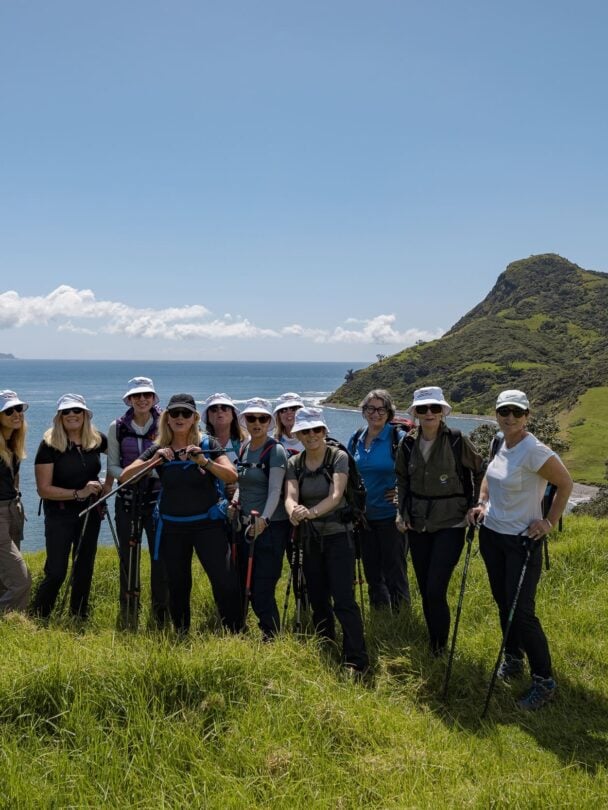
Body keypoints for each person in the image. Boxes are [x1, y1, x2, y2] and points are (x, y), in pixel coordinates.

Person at [468, 389, 573, 711]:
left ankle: (544, 681)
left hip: (521, 541)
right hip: (492, 535)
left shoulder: (534, 450)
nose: (510, 418)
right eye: (504, 412)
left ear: (527, 416)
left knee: (522, 612)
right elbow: (489, 475)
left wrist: (548, 521)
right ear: (497, 414)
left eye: (517, 412)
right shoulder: (499, 442)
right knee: (504, 602)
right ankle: (513, 658)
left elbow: (565, 483)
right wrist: (482, 502)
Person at [121, 394, 241, 635]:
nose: (180, 418)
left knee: (224, 580)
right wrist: (153, 461)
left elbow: (231, 475)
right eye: (174, 413)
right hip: (172, 528)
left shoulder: (208, 444)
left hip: (208, 526)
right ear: (167, 418)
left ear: (194, 418)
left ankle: (234, 632)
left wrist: (204, 462)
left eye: (186, 413)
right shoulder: (158, 449)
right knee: (177, 585)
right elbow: (125, 477)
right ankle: (181, 634)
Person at [395, 386, 483, 655]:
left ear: (443, 411)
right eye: (423, 409)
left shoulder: (456, 440)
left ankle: (440, 647)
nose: (429, 413)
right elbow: (402, 481)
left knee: (435, 588)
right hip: (418, 524)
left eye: (435, 408)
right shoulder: (407, 443)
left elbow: (481, 470)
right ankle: (434, 642)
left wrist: (476, 504)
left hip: (451, 523)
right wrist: (401, 513)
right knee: (425, 588)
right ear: (416, 413)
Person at [285, 406, 368, 675]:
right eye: (305, 431)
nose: (311, 435)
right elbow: (290, 495)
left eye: (316, 430)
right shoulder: (294, 463)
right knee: (317, 596)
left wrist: (308, 513)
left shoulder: (338, 457)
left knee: (343, 598)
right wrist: (293, 512)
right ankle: (326, 644)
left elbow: (336, 495)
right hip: (309, 539)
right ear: (297, 434)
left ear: (324, 431)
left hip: (339, 536)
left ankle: (356, 659)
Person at [32, 394, 108, 619]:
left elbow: (118, 456)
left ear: (85, 415)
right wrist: (79, 493)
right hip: (60, 514)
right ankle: (39, 615)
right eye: (66, 411)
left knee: (84, 567)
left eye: (77, 411)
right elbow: (43, 489)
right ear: (59, 417)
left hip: (91, 513)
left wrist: (107, 485)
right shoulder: (49, 445)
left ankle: (78, 616)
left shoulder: (97, 440)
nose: (72, 415)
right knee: (56, 571)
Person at [106, 377, 169, 628]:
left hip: (158, 501)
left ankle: (160, 612)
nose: (142, 399)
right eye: (136, 395)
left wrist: (144, 473)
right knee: (128, 557)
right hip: (127, 500)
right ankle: (129, 610)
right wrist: (130, 475)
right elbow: (112, 465)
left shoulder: (166, 423)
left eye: (147, 395)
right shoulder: (117, 427)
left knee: (160, 557)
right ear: (129, 399)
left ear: (154, 398)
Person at [231, 398, 289, 639]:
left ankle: (271, 635)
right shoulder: (244, 448)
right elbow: (242, 484)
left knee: (263, 586)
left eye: (262, 418)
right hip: (246, 527)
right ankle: (254, 630)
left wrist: (264, 520)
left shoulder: (275, 450)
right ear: (244, 420)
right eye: (251, 418)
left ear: (269, 422)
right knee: (245, 582)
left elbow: (275, 489)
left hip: (270, 528)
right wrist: (235, 501)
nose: (257, 423)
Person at [348, 389, 410, 611]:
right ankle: (380, 614)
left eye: (381, 409)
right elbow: (348, 473)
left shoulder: (398, 438)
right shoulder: (356, 437)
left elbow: (414, 471)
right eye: (370, 409)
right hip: (365, 517)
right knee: (372, 570)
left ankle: (402, 615)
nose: (376, 413)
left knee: (395, 569)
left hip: (390, 516)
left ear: (389, 412)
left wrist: (400, 491)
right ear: (364, 411)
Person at [0, 391, 32, 613]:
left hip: (13, 509)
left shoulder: (12, 442)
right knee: (21, 580)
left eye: (18, 408)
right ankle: (11, 620)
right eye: (8, 411)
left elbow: (13, 477)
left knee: (5, 579)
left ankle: (9, 625)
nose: (16, 414)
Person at [201, 393, 247, 465]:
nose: (220, 411)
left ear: (233, 415)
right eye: (214, 409)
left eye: (225, 408)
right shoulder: (200, 443)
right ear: (208, 417)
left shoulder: (246, 442)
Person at [273, 392, 304, 456]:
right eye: (284, 410)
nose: (289, 412)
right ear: (278, 416)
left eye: (293, 409)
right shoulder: (272, 442)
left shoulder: (312, 439)